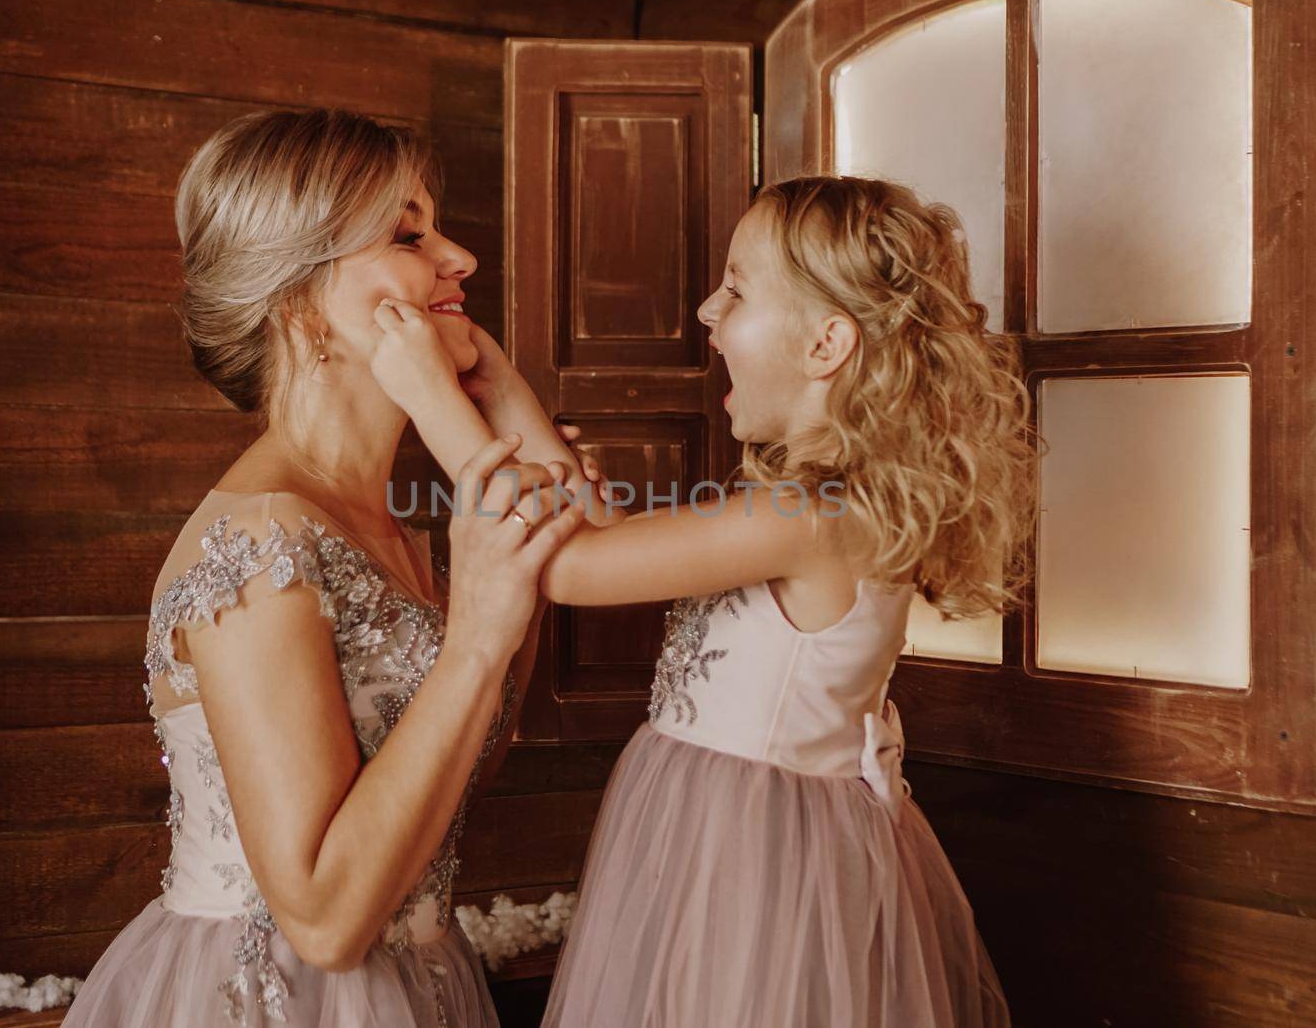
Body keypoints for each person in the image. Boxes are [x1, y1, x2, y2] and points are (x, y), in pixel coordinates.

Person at [372, 174, 1031, 1025]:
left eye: (737, 289)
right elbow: (603, 531)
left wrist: (430, 397)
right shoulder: (809, 500)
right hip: (721, 838)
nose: (705, 311)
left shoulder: (812, 514)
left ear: (827, 342)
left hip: (756, 868)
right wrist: (498, 386)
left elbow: (572, 568)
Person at [61, 108, 585, 1028]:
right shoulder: (259, 547)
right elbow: (326, 921)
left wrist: (516, 578)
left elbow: (449, 787)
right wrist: (475, 638)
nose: (458, 258)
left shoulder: (387, 525)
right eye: (408, 233)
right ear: (301, 299)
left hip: (423, 983)